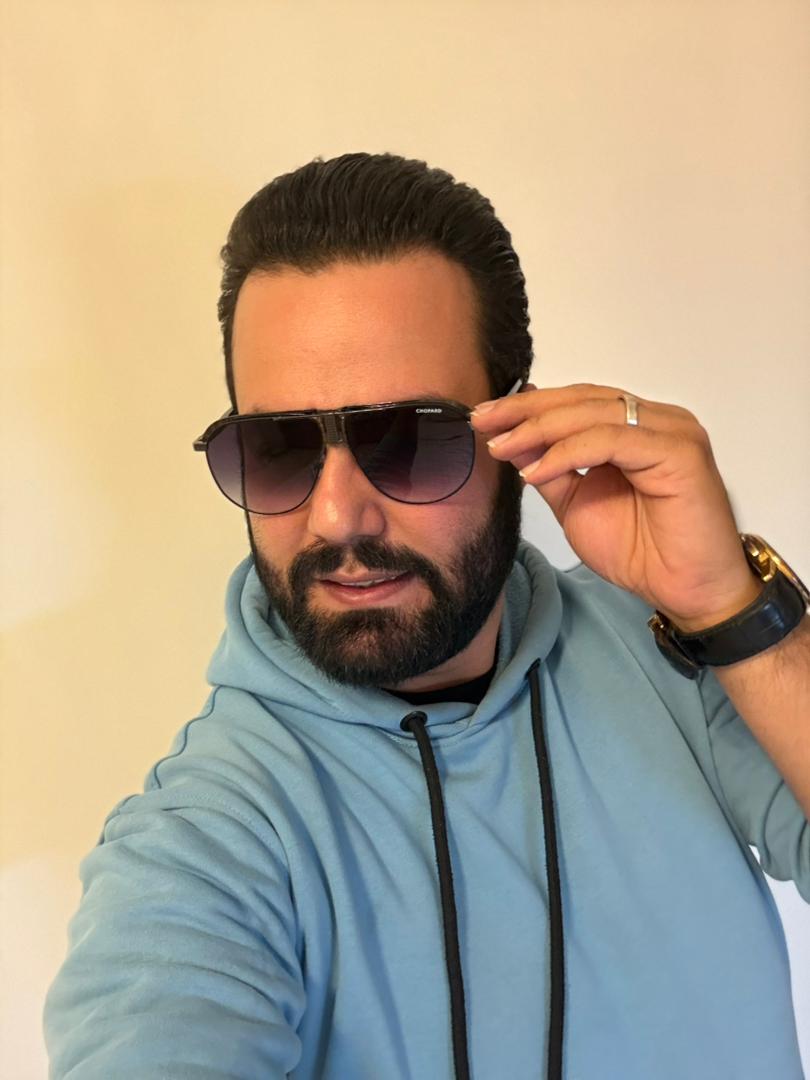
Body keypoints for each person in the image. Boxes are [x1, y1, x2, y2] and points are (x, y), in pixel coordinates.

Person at [43, 153, 809, 1080]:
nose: (337, 518)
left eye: (409, 439)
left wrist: (730, 611)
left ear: (521, 432)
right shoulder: (207, 838)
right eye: (277, 448)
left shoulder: (674, 653)